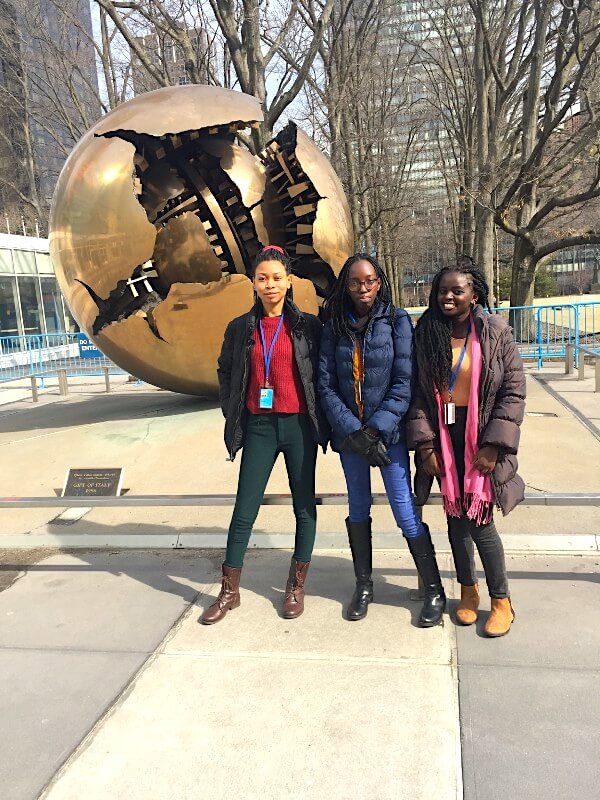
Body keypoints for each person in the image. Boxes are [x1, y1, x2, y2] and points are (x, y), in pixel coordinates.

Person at [201, 246, 329, 625]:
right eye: (262, 278)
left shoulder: (308, 326)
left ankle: (295, 586)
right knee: (245, 509)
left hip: (299, 426)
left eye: (277, 277)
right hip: (258, 426)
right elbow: (225, 372)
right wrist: (231, 410)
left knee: (303, 507)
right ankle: (229, 591)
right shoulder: (241, 327)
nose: (270, 285)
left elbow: (320, 375)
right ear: (253, 283)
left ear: (289, 281)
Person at [318, 253, 446, 626]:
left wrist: (374, 428)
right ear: (346, 284)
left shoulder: (396, 320)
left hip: (386, 437)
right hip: (350, 439)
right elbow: (325, 385)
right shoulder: (334, 324)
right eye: (356, 282)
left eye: (370, 281)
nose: (364, 289)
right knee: (358, 508)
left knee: (404, 510)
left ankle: (434, 590)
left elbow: (404, 382)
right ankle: (363, 585)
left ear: (380, 282)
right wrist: (353, 432)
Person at [407, 262, 526, 637]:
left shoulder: (495, 333)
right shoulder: (426, 332)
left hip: (482, 435)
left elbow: (512, 391)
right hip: (444, 434)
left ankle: (502, 600)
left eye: (457, 290)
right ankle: (468, 591)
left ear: (474, 295)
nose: (448, 297)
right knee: (455, 519)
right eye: (443, 290)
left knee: (481, 521)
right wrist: (425, 445)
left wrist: (493, 445)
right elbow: (417, 396)